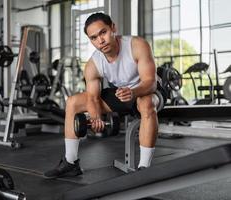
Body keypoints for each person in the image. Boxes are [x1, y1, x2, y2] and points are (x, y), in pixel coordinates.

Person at [44, 12, 159, 179]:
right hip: (121, 93)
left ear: (113, 28)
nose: (100, 41)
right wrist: (96, 117)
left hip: (147, 91)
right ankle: (71, 162)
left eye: (103, 32)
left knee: (146, 103)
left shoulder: (137, 45)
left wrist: (133, 92)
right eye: (94, 38)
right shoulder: (93, 63)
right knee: (73, 102)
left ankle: (144, 168)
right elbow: (92, 97)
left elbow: (151, 82)